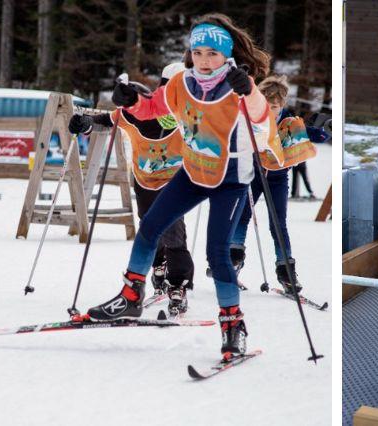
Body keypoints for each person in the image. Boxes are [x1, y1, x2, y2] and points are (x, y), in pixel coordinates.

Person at [85, 13, 280, 363]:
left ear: (227, 55)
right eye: (198, 52)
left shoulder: (239, 85)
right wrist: (129, 100)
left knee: (217, 253)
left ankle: (233, 326)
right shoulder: (180, 83)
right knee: (150, 226)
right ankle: (131, 296)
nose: (204, 61)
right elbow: (151, 109)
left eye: (213, 54)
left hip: (231, 179)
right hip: (192, 172)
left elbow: (262, 117)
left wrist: (249, 89)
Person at [68, 62, 194, 317]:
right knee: (148, 226)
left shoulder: (190, 117)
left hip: (175, 183)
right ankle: (158, 266)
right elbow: (107, 119)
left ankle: (178, 285)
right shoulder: (134, 113)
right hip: (144, 181)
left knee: (174, 232)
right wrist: (84, 123)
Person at [227, 75, 319, 293]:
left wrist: (321, 131)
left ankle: (286, 270)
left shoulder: (288, 122)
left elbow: (306, 134)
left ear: (283, 105)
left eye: (275, 107)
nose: (270, 112)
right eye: (266, 106)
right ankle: (234, 258)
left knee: (278, 222)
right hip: (253, 175)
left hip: (277, 178)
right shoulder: (251, 118)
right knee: (242, 214)